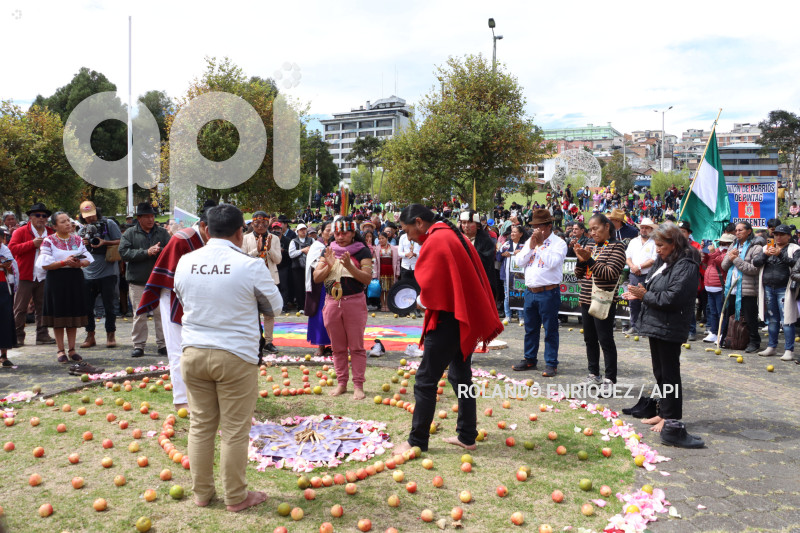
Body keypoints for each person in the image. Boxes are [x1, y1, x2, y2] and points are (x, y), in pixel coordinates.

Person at [174, 204, 282, 512]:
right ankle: (235, 496)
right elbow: (274, 307)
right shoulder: (249, 265)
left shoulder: (186, 261)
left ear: (207, 230)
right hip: (235, 354)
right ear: (240, 232)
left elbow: (182, 298)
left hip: (193, 351)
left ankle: (202, 493)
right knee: (234, 430)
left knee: (200, 426)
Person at [392, 204, 503, 456]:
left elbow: (432, 288)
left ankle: (417, 441)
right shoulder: (449, 234)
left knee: (425, 380)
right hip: (461, 317)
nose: (408, 236)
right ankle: (467, 435)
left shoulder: (438, 239)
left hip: (448, 319)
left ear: (419, 222)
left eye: (407, 230)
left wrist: (419, 300)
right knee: (460, 376)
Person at [624, 223, 704, 448]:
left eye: (660, 245)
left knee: (670, 373)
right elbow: (650, 286)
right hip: (656, 323)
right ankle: (663, 411)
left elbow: (672, 298)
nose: (657, 250)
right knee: (659, 371)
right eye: (656, 245)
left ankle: (671, 416)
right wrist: (638, 293)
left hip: (671, 325)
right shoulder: (663, 261)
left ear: (674, 243)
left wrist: (645, 296)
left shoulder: (687, 265)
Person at [137, 203, 213, 412]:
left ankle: (202, 394)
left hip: (201, 300)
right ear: (204, 226)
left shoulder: (213, 239)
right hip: (174, 297)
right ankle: (181, 399)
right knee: (179, 348)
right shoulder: (183, 239)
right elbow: (168, 275)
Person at [313, 217, 373, 400]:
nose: (340, 237)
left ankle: (358, 385)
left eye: (344, 233)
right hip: (332, 302)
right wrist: (330, 265)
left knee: (356, 347)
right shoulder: (328, 250)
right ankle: (341, 383)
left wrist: (349, 267)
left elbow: (367, 279)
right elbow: (317, 277)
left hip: (354, 302)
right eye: (337, 233)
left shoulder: (362, 251)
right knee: (337, 347)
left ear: (353, 233)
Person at [573, 214, 627, 388]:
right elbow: (579, 274)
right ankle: (593, 374)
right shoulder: (591, 246)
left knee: (605, 339)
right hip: (586, 298)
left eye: (596, 228)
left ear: (607, 226)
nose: (593, 232)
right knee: (589, 339)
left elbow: (610, 274)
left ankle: (610, 378)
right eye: (591, 229)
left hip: (603, 300)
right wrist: (581, 260)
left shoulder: (617, 247)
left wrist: (589, 259)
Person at [37, 212, 97, 368]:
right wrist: (64, 262)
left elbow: (87, 259)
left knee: (72, 314)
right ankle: (60, 350)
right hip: (56, 280)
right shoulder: (49, 241)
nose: (67, 224)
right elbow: (45, 264)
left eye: (68, 221)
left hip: (74, 279)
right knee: (59, 315)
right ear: (54, 226)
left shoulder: (77, 240)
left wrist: (79, 263)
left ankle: (72, 349)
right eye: (63, 222)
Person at [512, 210, 568, 377]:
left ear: (549, 226)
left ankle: (551, 363)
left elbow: (552, 263)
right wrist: (531, 247)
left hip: (548, 292)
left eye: (539, 226)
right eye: (533, 226)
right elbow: (519, 261)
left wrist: (540, 245)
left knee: (550, 329)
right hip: (530, 291)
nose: (535, 230)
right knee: (530, 328)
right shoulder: (530, 240)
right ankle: (529, 359)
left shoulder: (559, 243)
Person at [119, 203, 171, 358]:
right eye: (147, 216)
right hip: (138, 281)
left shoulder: (162, 232)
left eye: (152, 216)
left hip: (159, 280)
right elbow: (124, 253)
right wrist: (146, 252)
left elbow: (171, 250)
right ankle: (138, 345)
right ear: (139, 218)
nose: (151, 219)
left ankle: (163, 344)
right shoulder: (130, 233)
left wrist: (159, 250)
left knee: (160, 314)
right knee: (139, 314)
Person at [8, 202, 56, 346]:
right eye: (37, 215)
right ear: (30, 217)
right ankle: (17, 336)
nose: (41, 218)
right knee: (20, 307)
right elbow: (11, 249)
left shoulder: (51, 232)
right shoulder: (20, 231)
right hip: (25, 274)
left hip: (44, 275)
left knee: (42, 307)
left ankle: (42, 335)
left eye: (44, 216)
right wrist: (32, 244)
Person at [77, 200, 122, 349]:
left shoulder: (109, 224)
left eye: (92, 214)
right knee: (87, 307)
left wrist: (104, 242)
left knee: (109, 305)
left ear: (97, 211)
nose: (90, 218)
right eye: (87, 216)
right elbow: (76, 250)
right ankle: (90, 335)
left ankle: (110, 334)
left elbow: (121, 241)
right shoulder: (81, 230)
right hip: (87, 273)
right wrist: (82, 243)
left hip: (108, 272)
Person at [754, 224, 800, 360]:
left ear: (788, 236)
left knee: (787, 320)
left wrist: (780, 254)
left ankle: (789, 349)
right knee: (772, 319)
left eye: (781, 234)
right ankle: (771, 346)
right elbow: (756, 262)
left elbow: (796, 264)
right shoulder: (766, 247)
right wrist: (765, 255)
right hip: (768, 287)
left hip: (785, 289)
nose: (778, 237)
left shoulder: (795, 248)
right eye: (776, 234)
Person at [241, 213, 282, 355]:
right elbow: (242, 259)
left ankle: (269, 342)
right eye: (257, 223)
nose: (260, 226)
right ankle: (256, 340)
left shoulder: (274, 238)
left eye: (263, 223)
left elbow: (278, 260)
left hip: (270, 279)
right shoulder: (245, 238)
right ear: (252, 224)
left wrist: (269, 248)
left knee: (269, 313)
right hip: (251, 280)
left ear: (268, 224)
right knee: (252, 312)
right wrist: (256, 251)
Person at [720, 222, 763, 352]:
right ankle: (729, 339)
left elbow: (754, 269)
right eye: (736, 230)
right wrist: (730, 257)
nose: (737, 232)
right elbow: (724, 266)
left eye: (740, 230)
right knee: (729, 316)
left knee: (749, 318)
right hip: (731, 288)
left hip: (747, 289)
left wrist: (736, 259)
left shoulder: (756, 248)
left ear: (749, 231)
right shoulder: (733, 245)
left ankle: (754, 342)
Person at [623, 218, 658, 335]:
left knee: (649, 301)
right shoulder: (634, 241)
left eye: (646, 228)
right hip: (634, 275)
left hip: (649, 275)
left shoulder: (655, 242)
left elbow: (654, 259)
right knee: (633, 302)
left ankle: (647, 327)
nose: (643, 230)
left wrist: (639, 267)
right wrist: (633, 267)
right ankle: (634, 326)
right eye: (642, 227)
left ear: (651, 229)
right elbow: (627, 257)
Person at [305, 223, 332, 356]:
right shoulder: (317, 245)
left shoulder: (337, 244)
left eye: (333, 230)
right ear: (321, 231)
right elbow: (312, 263)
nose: (330, 233)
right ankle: (321, 345)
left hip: (335, 284)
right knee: (321, 315)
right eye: (327, 230)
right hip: (320, 285)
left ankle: (335, 345)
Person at [703, 233, 734, 343]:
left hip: (719, 286)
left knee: (721, 312)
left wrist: (713, 253)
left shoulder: (729, 253)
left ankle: (722, 334)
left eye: (724, 243)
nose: (721, 245)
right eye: (720, 242)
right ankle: (713, 332)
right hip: (709, 286)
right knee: (712, 312)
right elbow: (706, 262)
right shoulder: (716, 251)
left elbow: (721, 263)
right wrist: (704, 252)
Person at [497, 225, 528, 322]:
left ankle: (521, 316)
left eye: (515, 232)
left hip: (520, 276)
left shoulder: (525, 245)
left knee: (520, 294)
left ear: (521, 234)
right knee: (507, 295)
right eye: (512, 232)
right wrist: (503, 254)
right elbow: (498, 257)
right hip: (507, 275)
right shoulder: (506, 244)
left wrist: (521, 253)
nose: (512, 234)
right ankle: (508, 315)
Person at [0, 226, 17, 368]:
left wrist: (6, 265)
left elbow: (11, 268)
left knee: (4, 318)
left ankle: (4, 355)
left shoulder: (5, 249)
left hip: (2, 285)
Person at [288, 223, 314, 312]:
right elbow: (291, 254)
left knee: (309, 286)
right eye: (301, 230)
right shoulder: (293, 241)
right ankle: (301, 306)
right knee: (299, 287)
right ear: (298, 231)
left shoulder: (312, 240)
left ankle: (310, 306)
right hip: (297, 268)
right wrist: (302, 250)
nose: (303, 231)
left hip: (309, 267)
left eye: (304, 229)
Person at [373, 231, 399, 312]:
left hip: (390, 270)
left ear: (387, 238)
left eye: (382, 238)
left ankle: (387, 304)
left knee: (388, 289)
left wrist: (397, 272)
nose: (381, 240)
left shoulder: (394, 248)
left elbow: (397, 261)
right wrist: (374, 273)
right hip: (381, 270)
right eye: (379, 239)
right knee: (381, 289)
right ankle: (383, 304)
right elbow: (374, 262)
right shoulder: (376, 249)